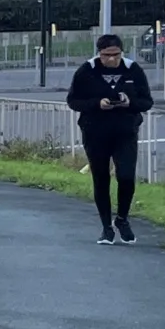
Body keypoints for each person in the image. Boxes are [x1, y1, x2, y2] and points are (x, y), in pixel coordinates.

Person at [66, 32, 154, 244]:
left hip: (125, 132)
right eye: (107, 55)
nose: (112, 59)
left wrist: (129, 103)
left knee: (126, 176)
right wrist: (97, 103)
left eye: (116, 54)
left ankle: (122, 218)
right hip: (95, 132)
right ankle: (106, 227)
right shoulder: (87, 71)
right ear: (99, 53)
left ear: (122, 52)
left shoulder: (132, 69)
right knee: (101, 178)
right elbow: (73, 101)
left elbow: (147, 101)